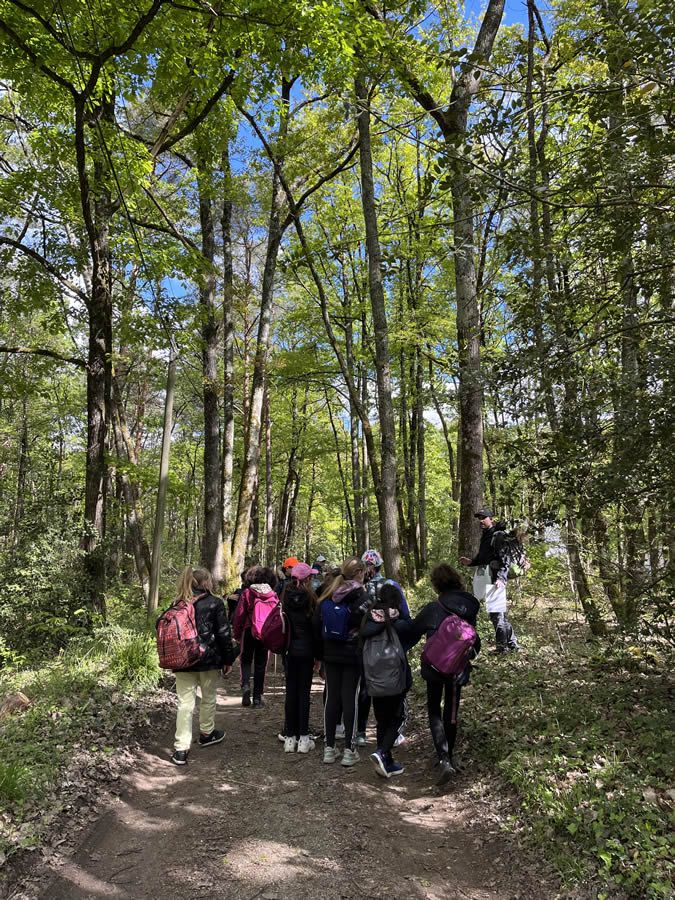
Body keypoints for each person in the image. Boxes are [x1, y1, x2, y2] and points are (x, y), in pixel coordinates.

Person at [403, 563, 481, 785]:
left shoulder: (432, 608)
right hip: (458, 668)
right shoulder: (470, 606)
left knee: (434, 708)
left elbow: (412, 629)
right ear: (457, 580)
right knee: (452, 711)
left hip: (434, 667)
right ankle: (451, 756)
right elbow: (475, 640)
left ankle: (443, 757)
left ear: (436, 584)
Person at [170, 566, 237, 766]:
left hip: (182, 660)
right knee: (208, 698)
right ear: (206, 582)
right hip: (208, 659)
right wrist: (228, 660)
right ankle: (207, 733)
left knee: (185, 704)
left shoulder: (177, 603)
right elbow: (224, 634)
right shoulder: (215, 603)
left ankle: (181, 748)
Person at [314, 557, 369, 766]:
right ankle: (349, 749)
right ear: (360, 573)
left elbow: (317, 624)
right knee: (350, 700)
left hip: (331, 653)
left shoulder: (330, 593)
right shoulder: (362, 596)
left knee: (332, 699)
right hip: (352, 654)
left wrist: (319, 656)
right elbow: (364, 624)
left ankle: (329, 748)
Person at [356, 550, 410, 748]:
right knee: (396, 688)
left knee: (365, 688)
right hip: (392, 646)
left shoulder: (358, 587)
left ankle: (361, 731)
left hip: (367, 647)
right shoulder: (391, 585)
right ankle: (393, 732)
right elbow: (406, 615)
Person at [360, 582, 411, 778]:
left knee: (382, 720)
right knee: (398, 717)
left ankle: (386, 762)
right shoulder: (397, 621)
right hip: (396, 680)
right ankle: (382, 752)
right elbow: (411, 628)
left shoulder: (368, 618)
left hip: (373, 677)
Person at [460, 507, 519, 653]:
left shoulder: (497, 535)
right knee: (500, 614)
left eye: (483, 518)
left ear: (491, 519)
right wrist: (471, 562)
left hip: (496, 578)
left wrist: (501, 578)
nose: (480, 521)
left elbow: (505, 559)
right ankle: (512, 644)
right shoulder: (486, 535)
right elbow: (483, 558)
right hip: (489, 577)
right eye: (479, 518)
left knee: (496, 613)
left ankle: (502, 648)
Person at [282, 562, 320, 753]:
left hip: (289, 650)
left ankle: (290, 738)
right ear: (307, 579)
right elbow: (315, 629)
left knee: (291, 692)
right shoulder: (312, 599)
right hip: (306, 651)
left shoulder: (285, 596)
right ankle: (303, 738)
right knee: (304, 693)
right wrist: (318, 656)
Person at [232, 565, 279, 708]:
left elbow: (239, 615)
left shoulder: (247, 593)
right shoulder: (273, 594)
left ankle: (245, 685)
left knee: (245, 660)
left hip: (249, 630)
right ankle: (257, 698)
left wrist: (237, 634)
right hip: (266, 633)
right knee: (261, 664)